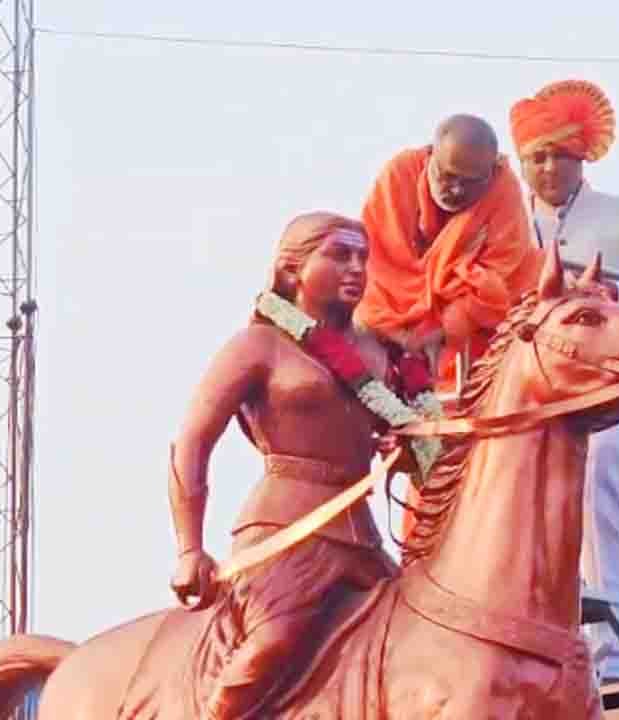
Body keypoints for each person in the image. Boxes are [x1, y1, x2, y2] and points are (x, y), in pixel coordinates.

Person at [146, 212, 431, 720]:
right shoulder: (259, 345)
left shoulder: (380, 351)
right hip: (285, 531)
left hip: (361, 537)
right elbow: (191, 441)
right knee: (271, 645)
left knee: (418, 638)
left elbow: (415, 436)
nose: (356, 268)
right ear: (291, 269)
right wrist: (189, 547)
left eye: (362, 257)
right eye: (339, 255)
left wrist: (407, 448)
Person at [510, 79, 619, 683]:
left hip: (605, 389)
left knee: (596, 499)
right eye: (536, 157)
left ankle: (611, 649)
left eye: (559, 155)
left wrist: (611, 298)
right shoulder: (507, 225)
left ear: (582, 157)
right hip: (529, 394)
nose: (547, 168)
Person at [355, 113, 543, 391]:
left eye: (470, 183)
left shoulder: (503, 188)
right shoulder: (401, 172)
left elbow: (500, 273)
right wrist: (403, 336)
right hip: (387, 317)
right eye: (448, 176)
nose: (455, 190)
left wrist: (446, 329)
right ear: (431, 155)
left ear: (490, 173)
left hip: (469, 326)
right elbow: (376, 261)